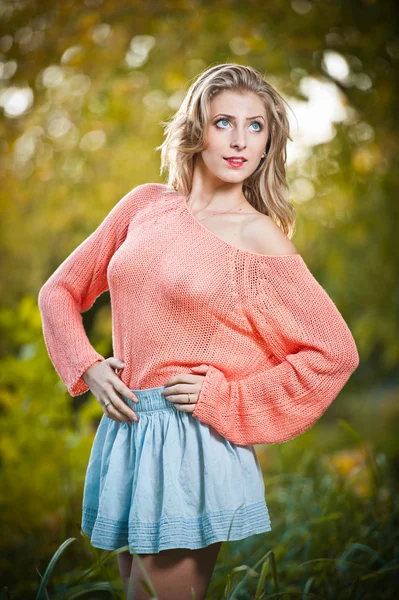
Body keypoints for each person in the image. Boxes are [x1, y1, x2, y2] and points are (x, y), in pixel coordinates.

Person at [37, 63, 360, 600]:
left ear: (268, 143)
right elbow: (60, 292)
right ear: (195, 130)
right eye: (223, 123)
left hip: (192, 440)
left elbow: (334, 352)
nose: (239, 140)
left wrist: (227, 396)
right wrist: (86, 366)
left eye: (255, 127)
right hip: (128, 430)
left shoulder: (261, 241)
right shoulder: (144, 205)